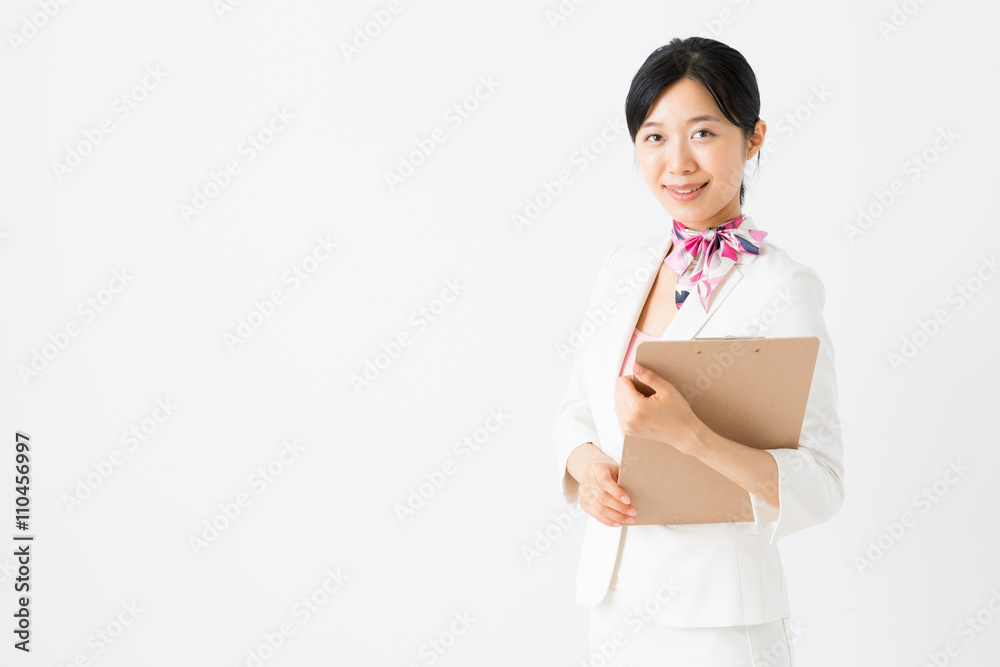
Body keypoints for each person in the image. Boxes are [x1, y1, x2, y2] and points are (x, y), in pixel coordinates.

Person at [551, 36, 845, 666]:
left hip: (719, 625)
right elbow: (577, 410)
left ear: (753, 137)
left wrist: (690, 436)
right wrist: (586, 467)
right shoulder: (622, 267)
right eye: (654, 136)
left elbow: (821, 483)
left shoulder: (784, 287)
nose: (677, 162)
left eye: (703, 133)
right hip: (613, 609)